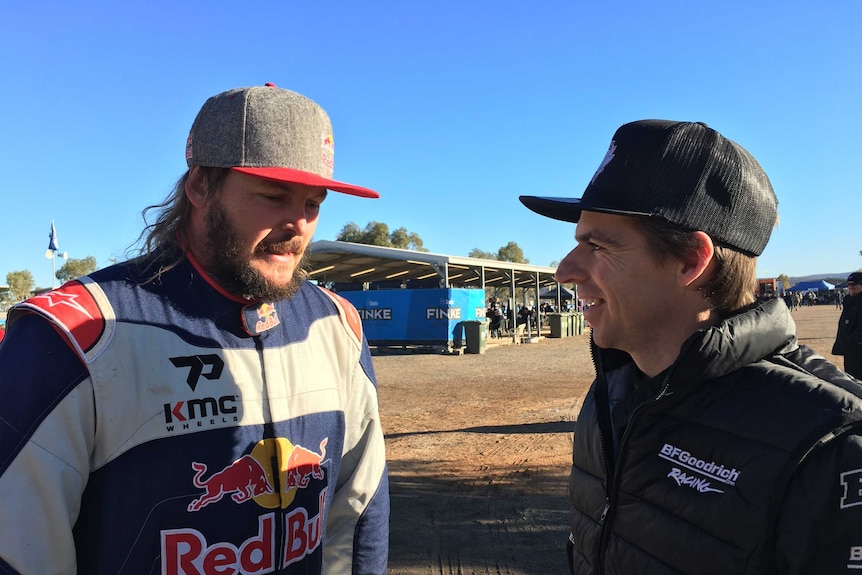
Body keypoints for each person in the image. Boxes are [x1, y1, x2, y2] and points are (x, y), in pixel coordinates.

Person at [0, 84, 389, 574]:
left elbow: (358, 514)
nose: (299, 225)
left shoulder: (338, 326)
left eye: (314, 204)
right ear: (200, 186)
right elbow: (17, 548)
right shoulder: (75, 334)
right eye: (274, 196)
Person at [520, 119, 862, 574]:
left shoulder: (833, 447)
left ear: (690, 260)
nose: (564, 271)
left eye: (598, 245)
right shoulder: (613, 391)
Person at [833, 272, 862, 379]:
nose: (851, 287)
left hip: (858, 347)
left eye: (854, 284)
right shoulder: (849, 300)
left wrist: (852, 340)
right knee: (851, 377)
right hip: (850, 349)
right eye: (849, 284)